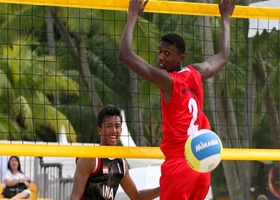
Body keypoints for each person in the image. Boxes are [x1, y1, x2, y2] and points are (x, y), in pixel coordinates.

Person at [118, 0, 236, 199]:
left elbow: (124, 55)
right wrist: (225, 17)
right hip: (201, 164)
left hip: (179, 166)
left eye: (167, 54)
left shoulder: (168, 80)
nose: (161, 58)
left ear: (180, 57)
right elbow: (223, 56)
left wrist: (132, 15)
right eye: (160, 51)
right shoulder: (197, 72)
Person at [70, 104, 160, 200]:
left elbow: (136, 197)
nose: (114, 130)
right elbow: (75, 196)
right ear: (99, 130)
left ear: (121, 130)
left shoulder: (121, 164)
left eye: (117, 126)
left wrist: (163, 188)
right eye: (109, 126)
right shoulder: (90, 158)